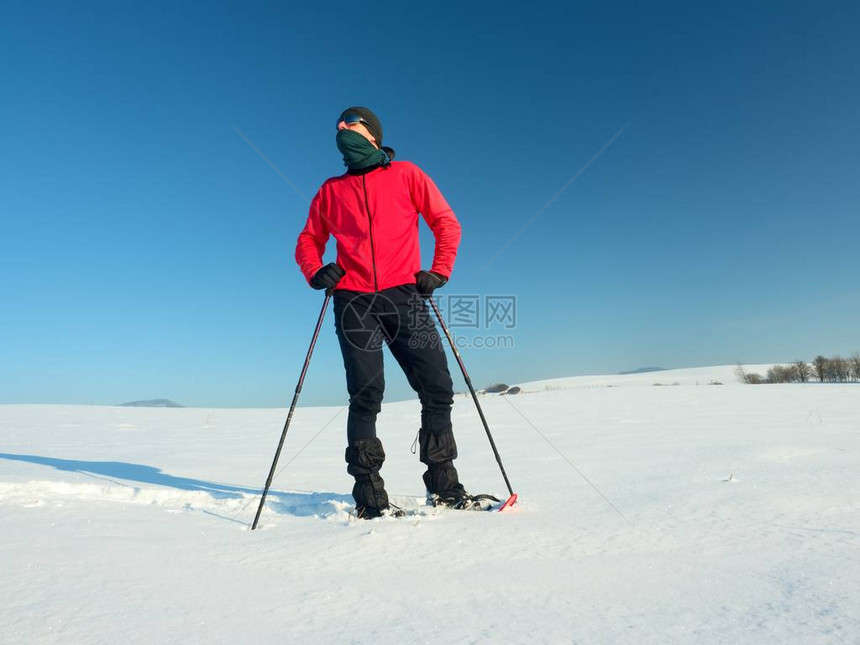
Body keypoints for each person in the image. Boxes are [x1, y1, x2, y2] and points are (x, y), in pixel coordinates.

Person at [295, 106, 486, 518]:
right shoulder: (330, 190)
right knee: (366, 395)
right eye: (338, 127)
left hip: (405, 296)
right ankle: (369, 498)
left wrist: (439, 271)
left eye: (352, 124)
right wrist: (316, 270)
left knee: (437, 387)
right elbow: (309, 240)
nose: (342, 130)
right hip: (353, 301)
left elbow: (446, 223)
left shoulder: (407, 174)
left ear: (374, 135)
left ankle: (444, 486)